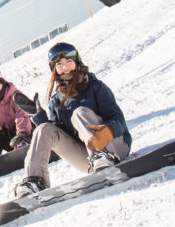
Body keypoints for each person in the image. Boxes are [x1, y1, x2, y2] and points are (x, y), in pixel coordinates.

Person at [14, 42, 132, 196]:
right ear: (54, 69)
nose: (65, 67)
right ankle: (35, 180)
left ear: (77, 63)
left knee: (79, 113)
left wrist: (109, 130)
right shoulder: (55, 101)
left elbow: (118, 119)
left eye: (69, 62)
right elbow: (57, 135)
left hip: (115, 146)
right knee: (43, 129)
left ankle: (102, 155)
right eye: (60, 64)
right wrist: (39, 118)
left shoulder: (95, 87)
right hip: (88, 158)